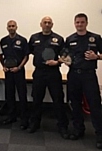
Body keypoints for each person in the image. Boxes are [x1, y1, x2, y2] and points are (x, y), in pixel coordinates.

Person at [62, 13, 102, 149]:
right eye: (77, 22)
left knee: (95, 105)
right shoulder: (69, 39)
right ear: (74, 23)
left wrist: (97, 56)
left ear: (86, 23)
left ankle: (100, 135)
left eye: (82, 22)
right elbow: (65, 55)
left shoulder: (95, 38)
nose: (79, 24)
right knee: (75, 104)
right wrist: (65, 60)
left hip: (89, 76)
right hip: (73, 75)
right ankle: (79, 129)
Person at [28, 16, 69, 139]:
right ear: (40, 24)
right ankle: (35, 124)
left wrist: (57, 62)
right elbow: (29, 52)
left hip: (53, 73)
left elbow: (65, 56)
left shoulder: (59, 39)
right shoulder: (34, 38)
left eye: (49, 23)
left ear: (52, 24)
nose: (47, 24)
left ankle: (62, 126)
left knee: (58, 100)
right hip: (39, 72)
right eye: (45, 22)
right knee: (36, 99)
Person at [0, 20, 29, 130]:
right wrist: (3, 66)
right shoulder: (3, 41)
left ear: (16, 27)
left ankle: (24, 119)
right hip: (8, 73)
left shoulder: (22, 40)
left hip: (19, 71)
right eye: (9, 26)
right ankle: (11, 116)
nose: (11, 28)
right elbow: (0, 56)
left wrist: (19, 67)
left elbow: (26, 56)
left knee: (22, 95)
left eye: (13, 26)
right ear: (7, 28)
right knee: (9, 95)